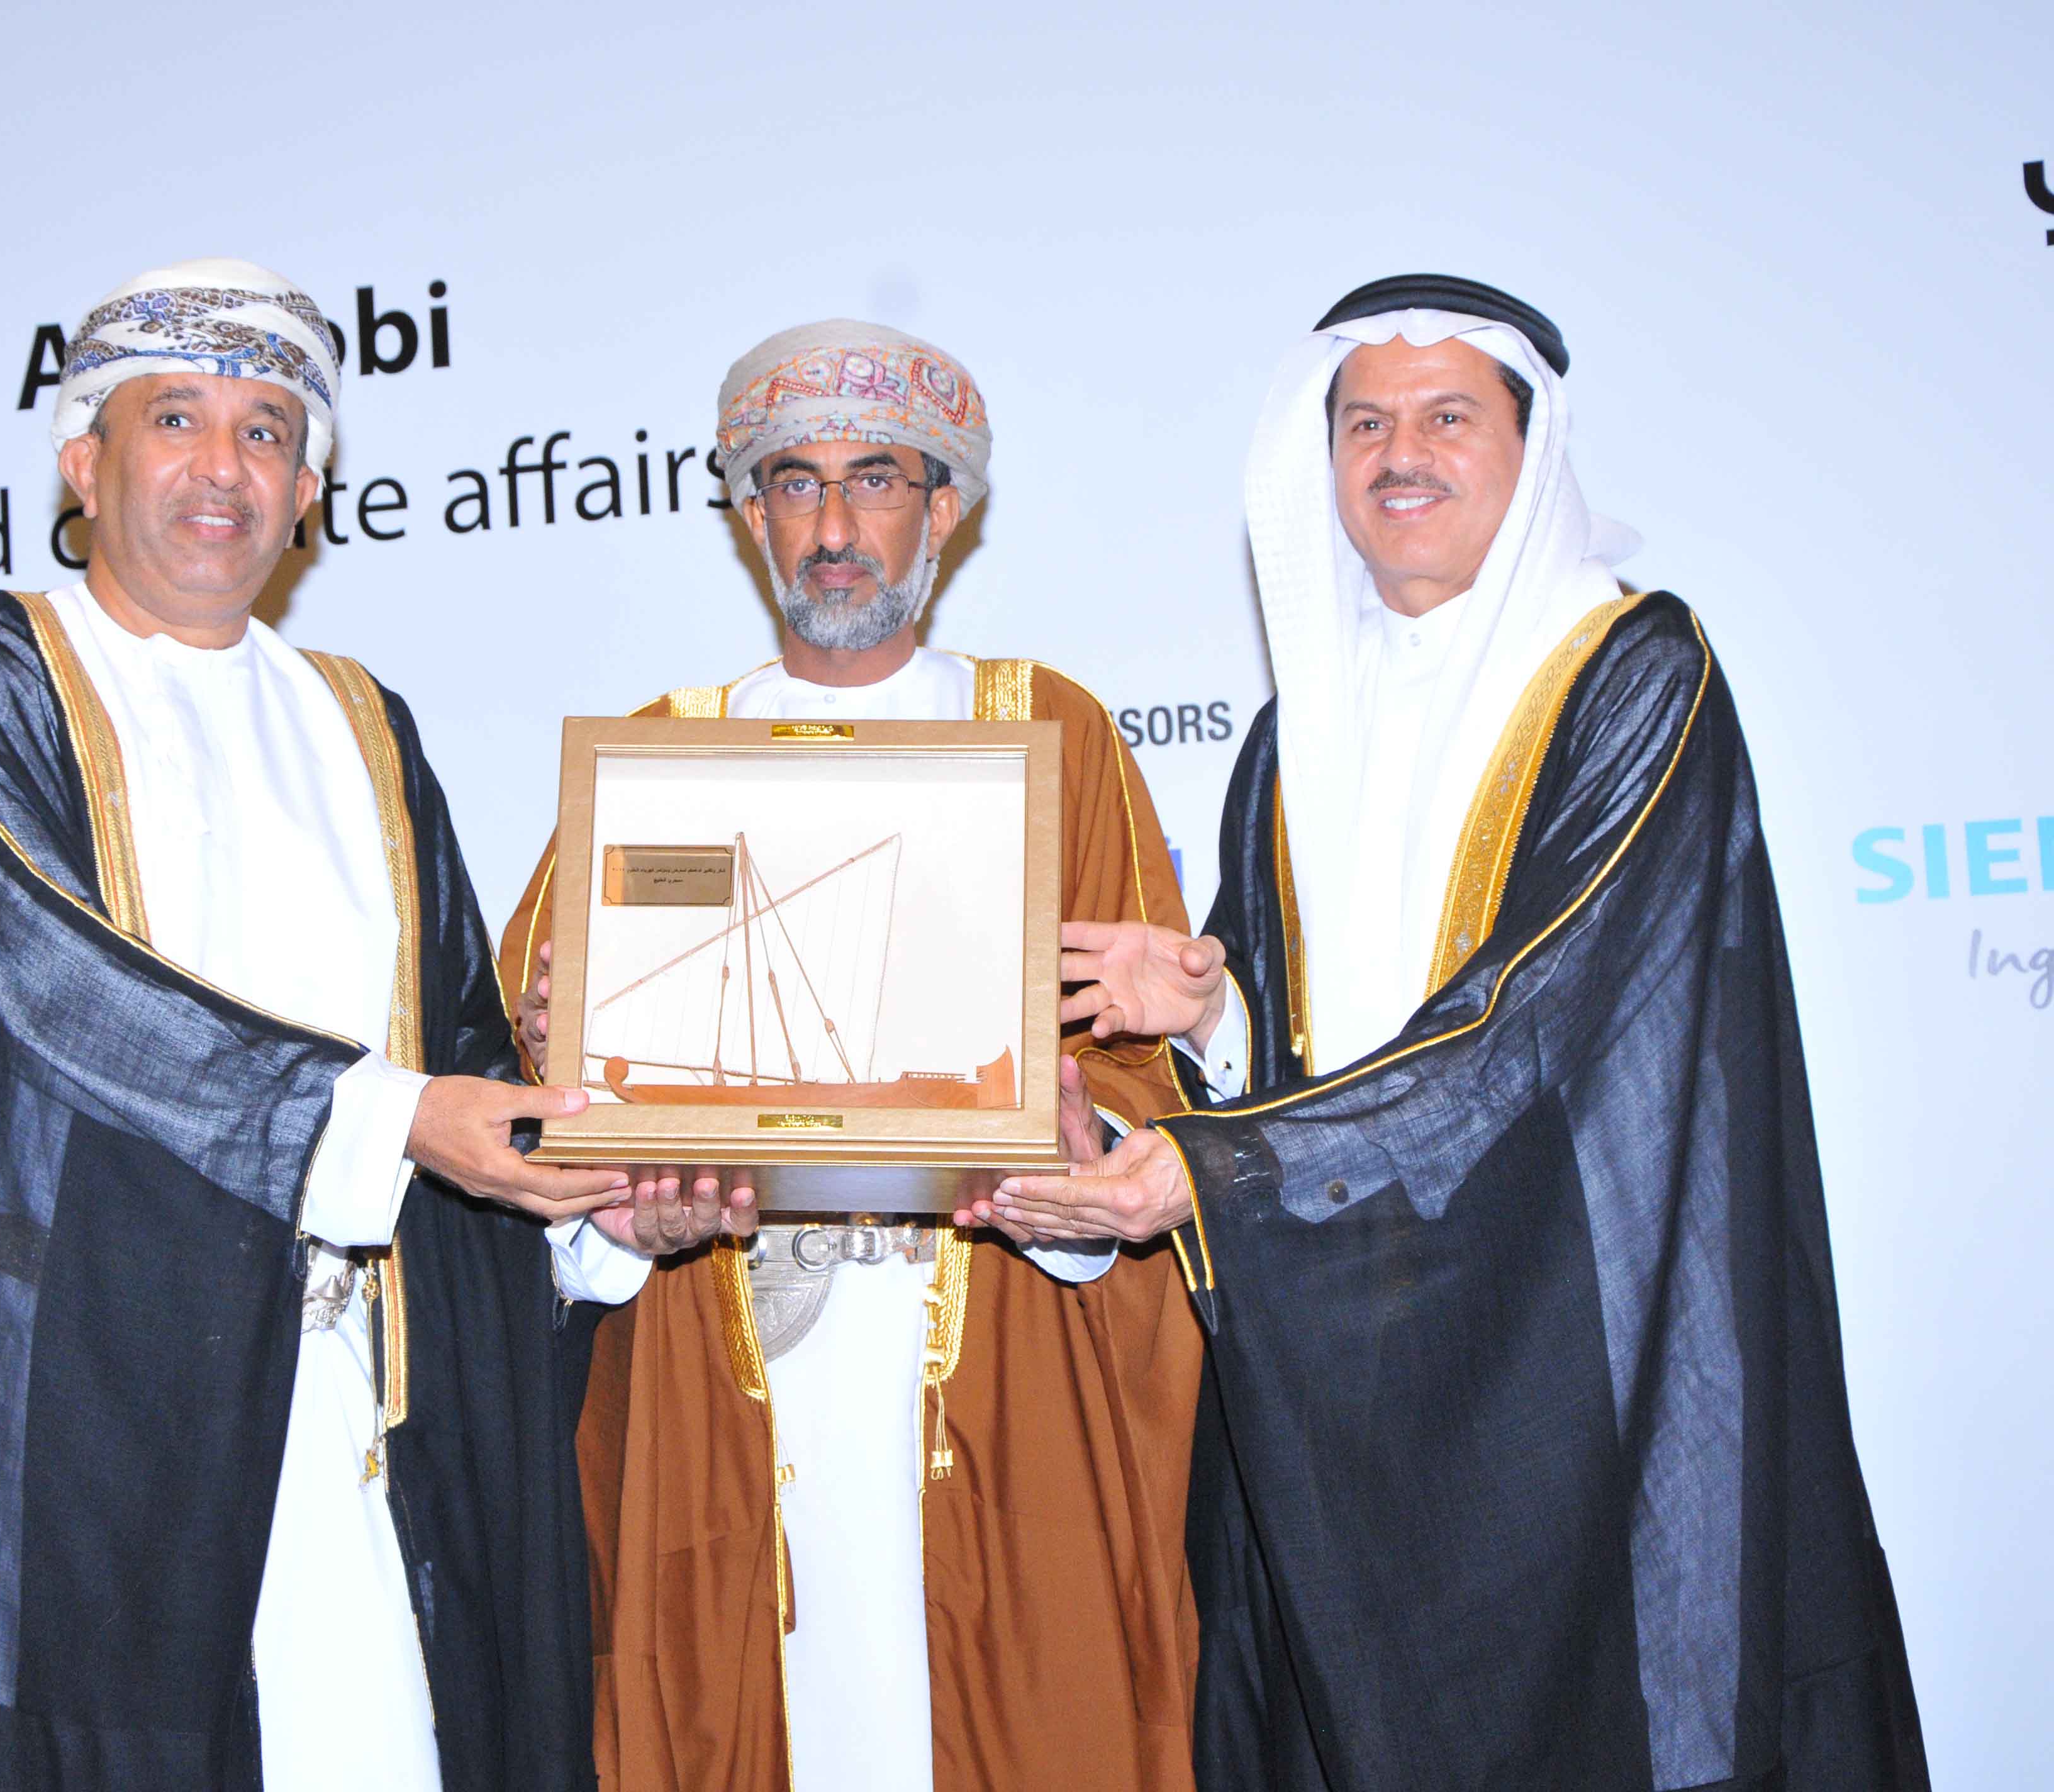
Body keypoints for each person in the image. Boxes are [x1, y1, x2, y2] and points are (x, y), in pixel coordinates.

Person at [991, 274, 1929, 1790]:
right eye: (1362, 423)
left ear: (1526, 445)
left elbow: (1534, 1018)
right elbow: (1317, 1051)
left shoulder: (1632, 671)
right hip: (1344, 1362)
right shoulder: (1293, 730)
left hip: (1563, 1349)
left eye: (1444, 416)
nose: (1398, 454)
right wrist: (1216, 1015)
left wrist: (1208, 1171)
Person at [0, 258, 626, 1791]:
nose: (223, 466)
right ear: (84, 462)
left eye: (267, 432)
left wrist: (599, 1195)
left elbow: (460, 1053)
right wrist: (396, 1116)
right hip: (92, 1440)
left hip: (352, 1408)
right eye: (177, 418)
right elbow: (64, 1000)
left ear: (308, 492)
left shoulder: (360, 720)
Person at [500, 320, 1205, 1791]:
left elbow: (1145, 1083)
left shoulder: (1053, 733)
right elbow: (537, 1112)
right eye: (792, 483)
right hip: (733, 1381)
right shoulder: (658, 761)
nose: (831, 526)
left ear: (942, 508)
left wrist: (1073, 1156)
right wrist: (616, 1196)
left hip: (998, 1380)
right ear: (748, 515)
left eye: (874, 479)